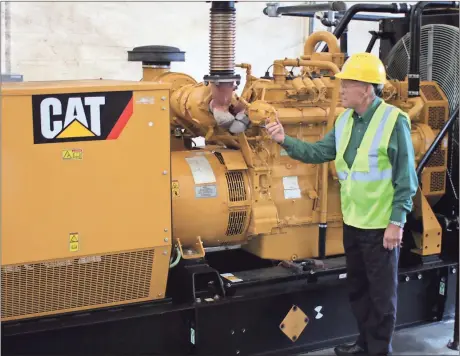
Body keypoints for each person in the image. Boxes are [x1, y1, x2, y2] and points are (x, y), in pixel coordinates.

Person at [265, 52, 418, 356]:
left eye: (347, 84)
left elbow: (406, 179)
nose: (342, 89)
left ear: (366, 89)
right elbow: (320, 152)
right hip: (353, 222)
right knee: (359, 291)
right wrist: (284, 139)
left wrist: (396, 222)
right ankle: (364, 344)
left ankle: (379, 351)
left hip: (381, 228)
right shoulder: (345, 120)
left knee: (382, 297)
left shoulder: (393, 121)